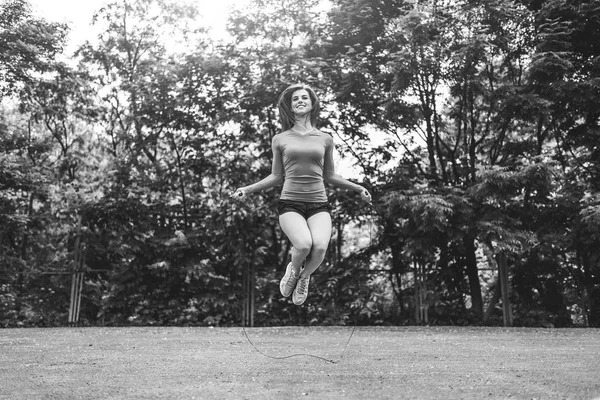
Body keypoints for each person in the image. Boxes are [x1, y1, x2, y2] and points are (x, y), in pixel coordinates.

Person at [232, 84, 371, 305]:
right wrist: (246, 189)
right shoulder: (280, 138)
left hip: (319, 204)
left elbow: (331, 175)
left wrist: (357, 187)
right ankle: (293, 270)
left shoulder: (325, 139)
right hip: (290, 204)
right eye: (295, 98)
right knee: (304, 245)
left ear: (312, 103)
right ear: (290, 106)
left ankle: (304, 278)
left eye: (304, 97)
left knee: (320, 247)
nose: (300, 100)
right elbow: (276, 176)